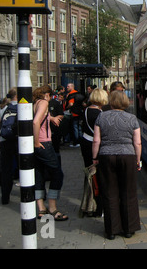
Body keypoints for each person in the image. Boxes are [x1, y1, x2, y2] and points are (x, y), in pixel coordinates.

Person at [92, 90, 141, 239]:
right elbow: (137, 142)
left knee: (110, 192)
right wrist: (137, 160)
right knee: (128, 192)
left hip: (106, 156)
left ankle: (112, 230)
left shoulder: (101, 116)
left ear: (111, 101)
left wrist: (95, 158)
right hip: (128, 156)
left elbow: (96, 141)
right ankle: (128, 229)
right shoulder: (132, 118)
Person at [33, 85, 68, 221]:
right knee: (57, 174)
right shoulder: (44, 102)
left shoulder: (35, 103)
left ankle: (41, 208)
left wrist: (51, 118)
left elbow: (39, 118)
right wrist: (37, 142)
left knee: (39, 174)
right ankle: (52, 208)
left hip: (37, 145)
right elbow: (36, 122)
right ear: (46, 94)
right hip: (44, 143)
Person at [80, 88, 108, 217]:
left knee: (89, 174)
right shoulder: (100, 114)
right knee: (99, 176)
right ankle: (99, 207)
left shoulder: (86, 110)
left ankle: (89, 203)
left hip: (85, 143)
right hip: (96, 145)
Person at [0, 88, 18, 204]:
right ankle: (29, 195)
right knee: (24, 168)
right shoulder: (23, 108)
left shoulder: (4, 108)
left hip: (4, 140)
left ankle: (5, 197)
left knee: (6, 170)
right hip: (18, 141)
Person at [65, 83, 84, 147]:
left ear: (72, 87)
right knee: (79, 128)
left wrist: (66, 108)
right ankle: (81, 141)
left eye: (68, 86)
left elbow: (71, 104)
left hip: (74, 113)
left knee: (75, 127)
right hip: (80, 112)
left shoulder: (71, 95)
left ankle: (76, 142)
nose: (67, 87)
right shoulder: (78, 93)